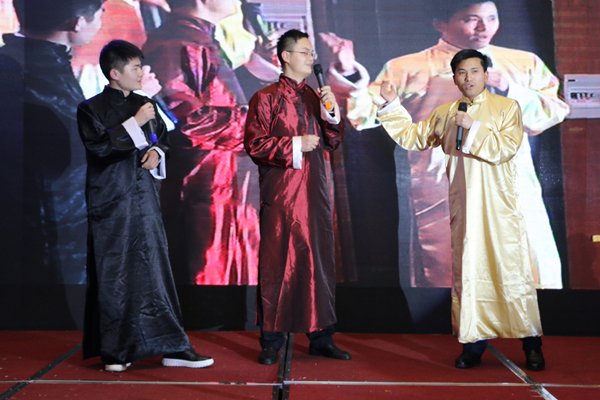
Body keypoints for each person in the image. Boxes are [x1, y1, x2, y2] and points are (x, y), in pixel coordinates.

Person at [323, 0, 568, 288]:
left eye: (492, 18)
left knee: (526, 262)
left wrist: (509, 89)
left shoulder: (524, 63)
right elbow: (364, 113)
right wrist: (347, 70)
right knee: (452, 270)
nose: (484, 27)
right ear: (441, 24)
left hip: (510, 180)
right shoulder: (408, 67)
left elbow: (553, 111)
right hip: (444, 182)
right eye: (471, 19)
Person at [378, 49, 544, 371]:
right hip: (464, 206)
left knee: (511, 272)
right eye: (462, 72)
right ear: (454, 78)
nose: (468, 78)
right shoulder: (446, 113)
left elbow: (506, 148)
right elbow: (414, 138)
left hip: (500, 207)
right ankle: (473, 343)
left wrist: (473, 127)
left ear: (486, 74)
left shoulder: (507, 108)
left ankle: (531, 344)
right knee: (470, 273)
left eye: (474, 71)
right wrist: (392, 104)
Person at [77, 40, 213, 372]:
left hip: (146, 199)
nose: (142, 72)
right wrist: (134, 123)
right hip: (110, 201)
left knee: (153, 268)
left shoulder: (146, 104)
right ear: (115, 73)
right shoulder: (91, 108)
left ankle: (172, 347)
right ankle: (116, 351)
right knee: (114, 271)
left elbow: (163, 139)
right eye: (135, 67)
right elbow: (100, 149)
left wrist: (157, 152)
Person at [244, 29, 351, 365]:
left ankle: (321, 336)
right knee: (278, 262)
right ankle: (271, 340)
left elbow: (333, 141)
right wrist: (294, 144)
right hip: (282, 192)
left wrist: (332, 114)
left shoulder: (316, 97)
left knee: (317, 261)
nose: (311, 58)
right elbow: (255, 145)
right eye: (304, 52)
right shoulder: (265, 97)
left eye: (312, 52)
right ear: (286, 56)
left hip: (315, 191)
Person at [143, 0, 261, 285]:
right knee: (207, 277)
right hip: (204, 183)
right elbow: (189, 119)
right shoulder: (177, 41)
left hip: (225, 181)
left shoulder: (197, 36)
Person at [0, 0, 105, 285]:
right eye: (100, 15)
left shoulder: (17, 59)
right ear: (77, 23)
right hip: (53, 233)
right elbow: (83, 151)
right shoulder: (45, 71)